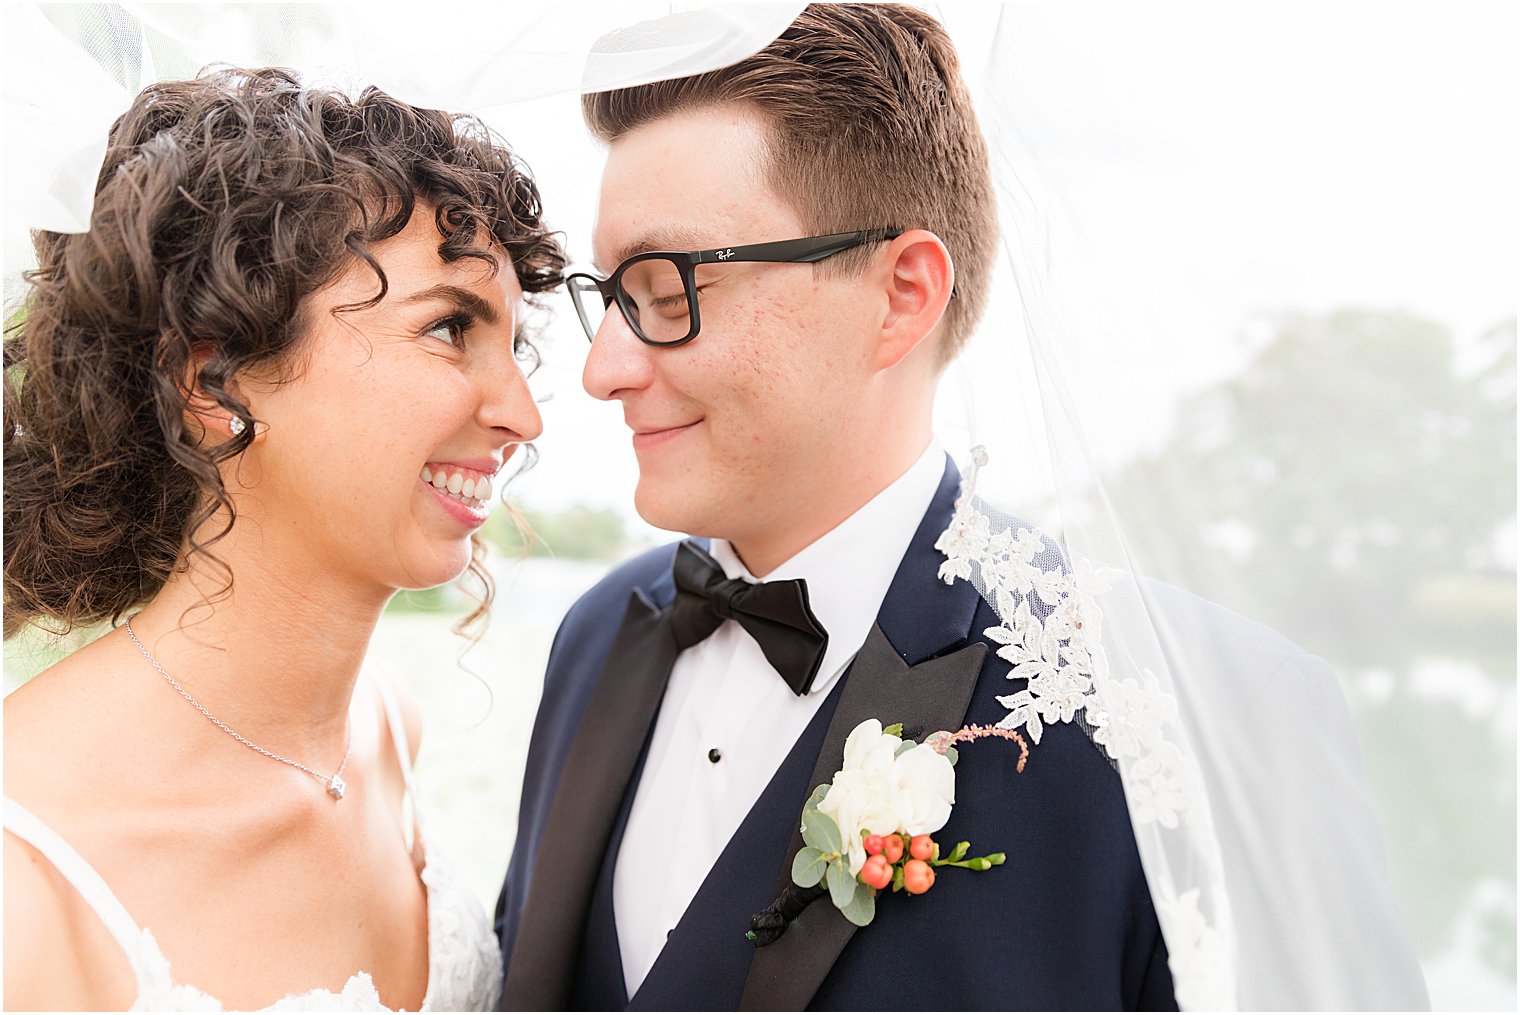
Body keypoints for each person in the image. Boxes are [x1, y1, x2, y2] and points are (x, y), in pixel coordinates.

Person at [495, 6, 1179, 1010]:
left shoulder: (1144, 722)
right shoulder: (595, 633)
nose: (603, 369)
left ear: (900, 293)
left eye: (670, 287)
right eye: (611, 295)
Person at [3, 67, 562, 1011]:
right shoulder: (25, 862)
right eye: (447, 327)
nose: (523, 414)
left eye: (512, 343)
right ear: (214, 382)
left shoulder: (387, 727)